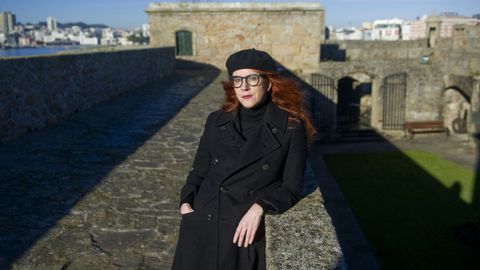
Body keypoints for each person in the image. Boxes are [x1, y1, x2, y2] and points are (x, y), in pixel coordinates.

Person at [171, 48, 316, 270]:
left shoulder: (290, 127)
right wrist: (186, 203)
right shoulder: (216, 121)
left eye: (252, 78)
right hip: (201, 228)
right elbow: (199, 172)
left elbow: (293, 187)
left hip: (241, 237)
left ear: (269, 83)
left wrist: (260, 207)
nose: (244, 86)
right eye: (237, 80)